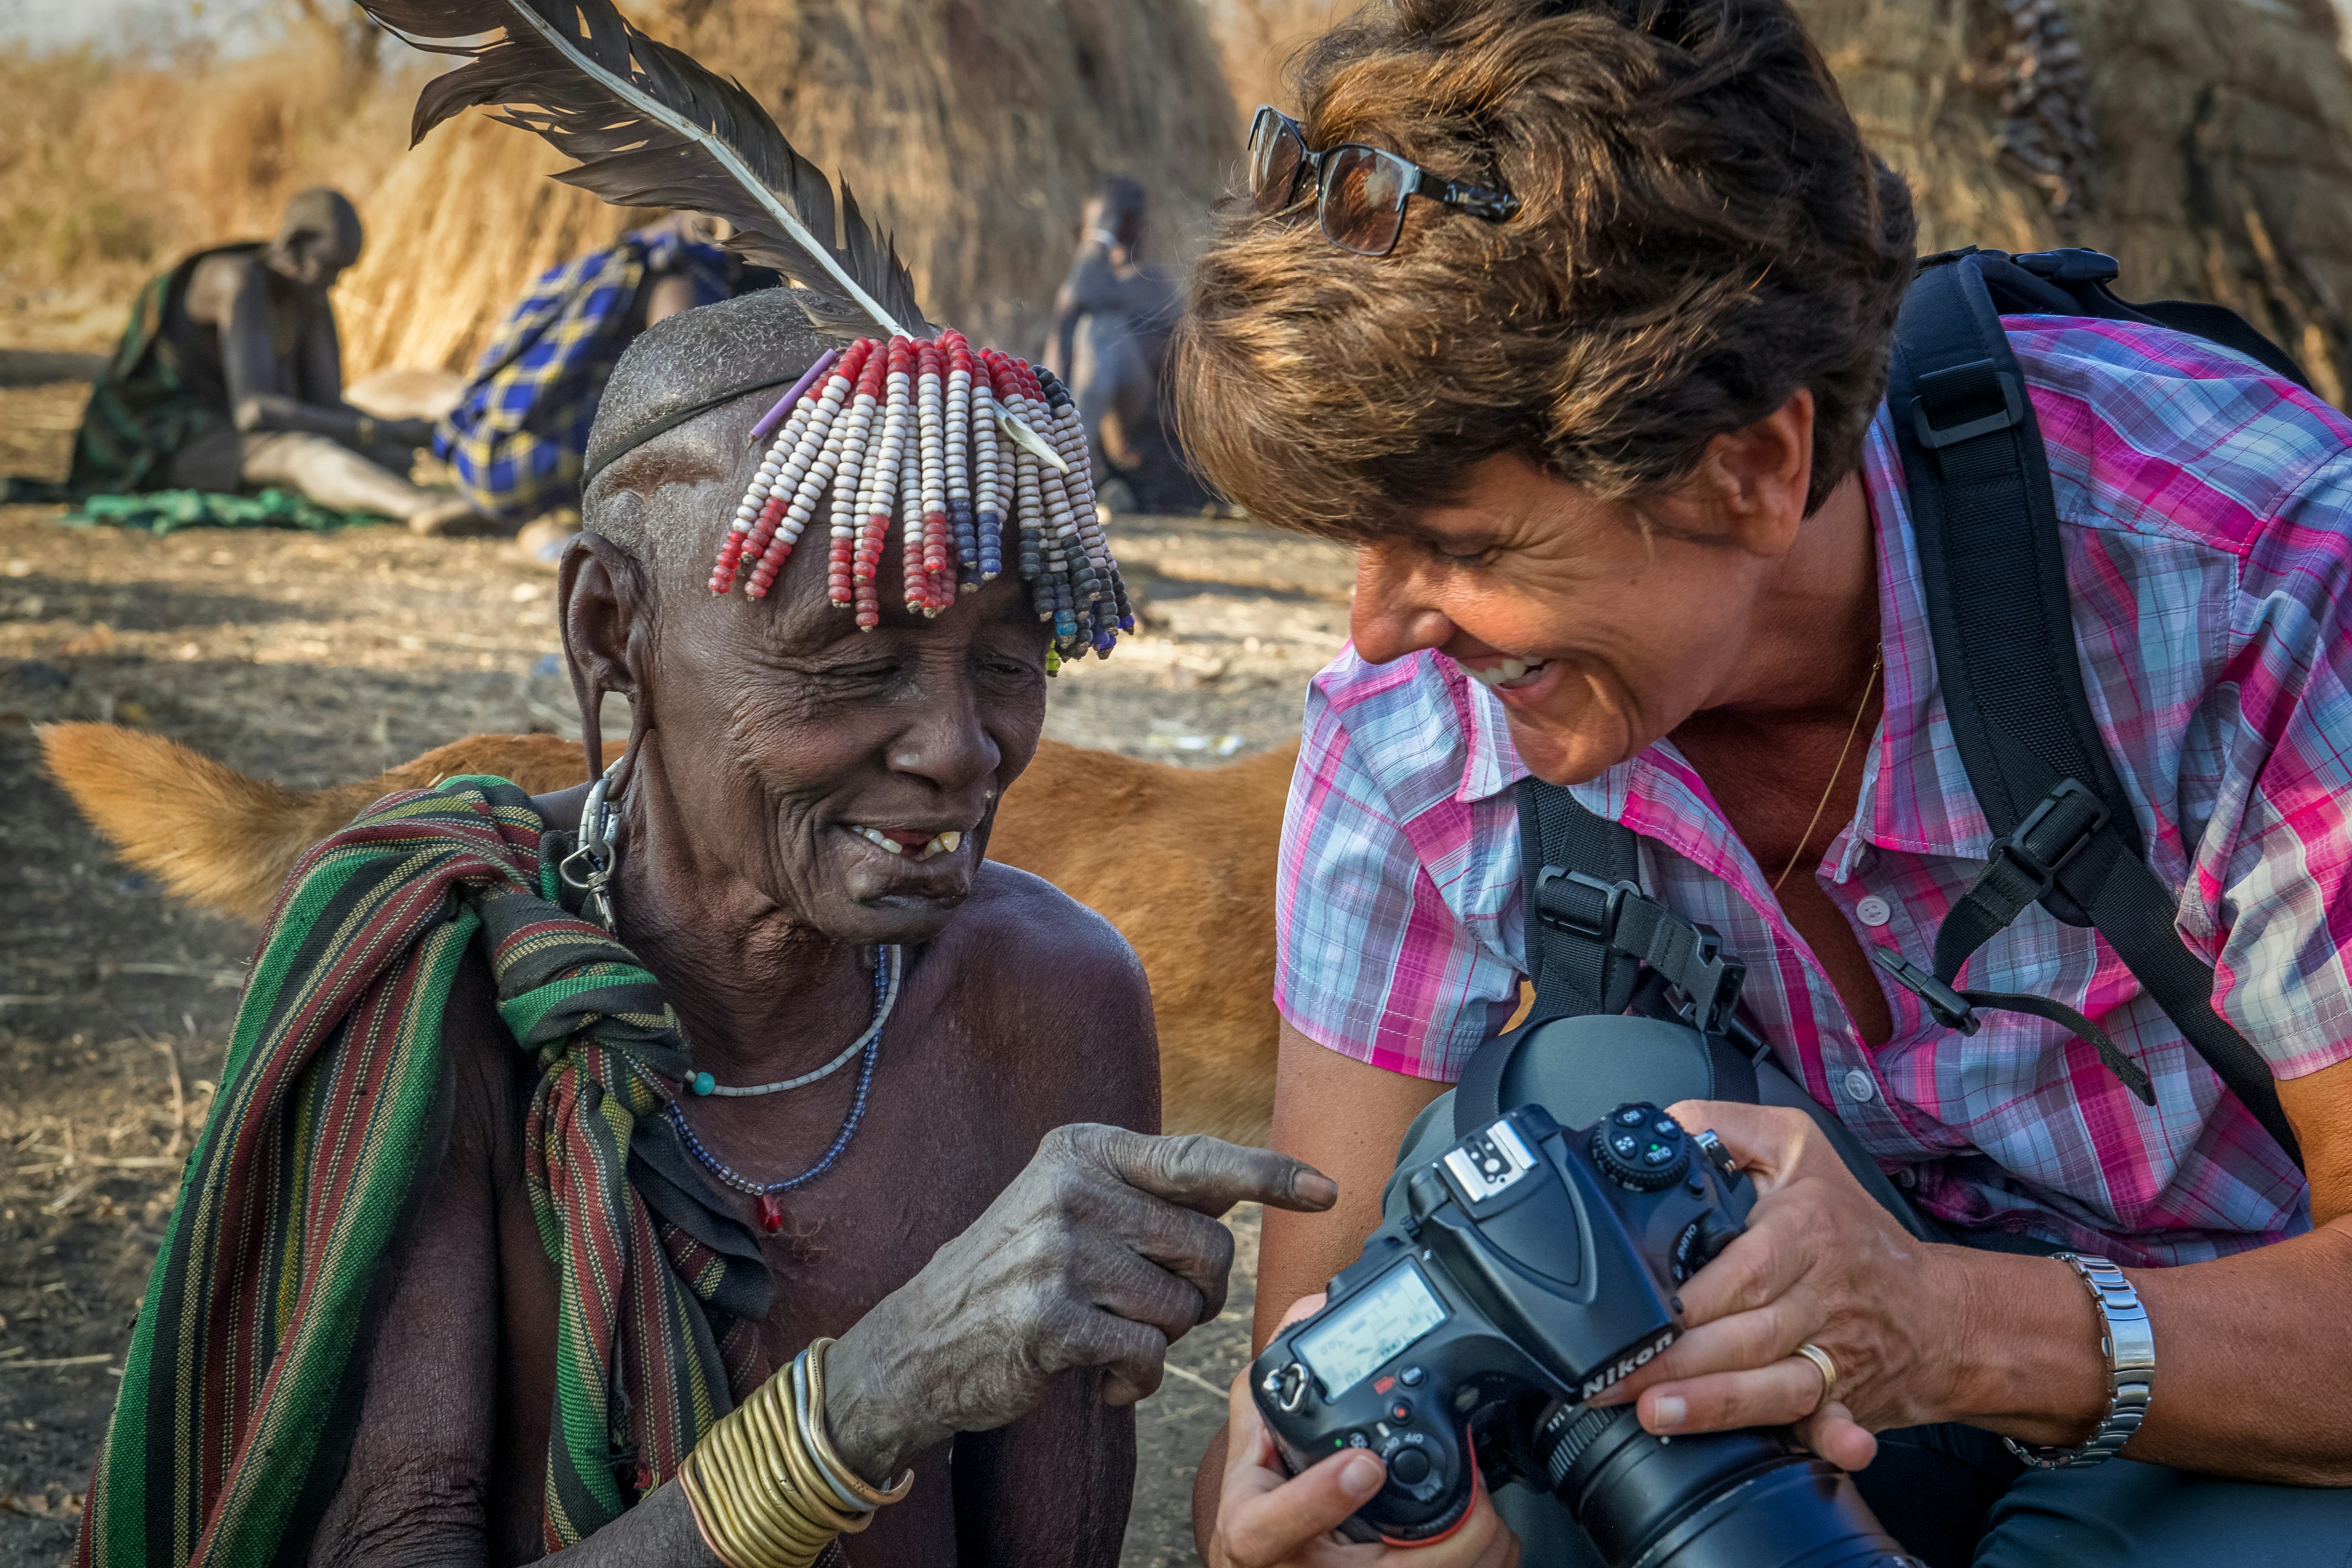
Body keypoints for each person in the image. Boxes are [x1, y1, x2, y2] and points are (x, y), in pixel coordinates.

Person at [1167, 1, 2352, 1564]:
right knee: (1567, 1118)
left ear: (1751, 468)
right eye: (1360, 545)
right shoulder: (1411, 728)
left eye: (1460, 546)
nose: (1376, 625)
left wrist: (1944, 1322)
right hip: (1790, 1430)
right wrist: (1329, 1518)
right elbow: (1294, 1377)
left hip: (2256, 1388)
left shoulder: (2238, 575)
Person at [74, 287, 1335, 1568]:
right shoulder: (441, 980)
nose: (963, 749)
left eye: (1009, 665)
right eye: (852, 659)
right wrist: (864, 1402)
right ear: (610, 628)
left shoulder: (1055, 995)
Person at [62, 187, 484, 535]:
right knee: (303, 455)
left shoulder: (310, 295)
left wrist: (403, 436)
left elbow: (326, 404)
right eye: (329, 267)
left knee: (387, 459)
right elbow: (255, 412)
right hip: (162, 437)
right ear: (295, 245)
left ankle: (428, 498)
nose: (334, 283)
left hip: (223, 431)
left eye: (342, 273)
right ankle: (419, 508)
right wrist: (384, 428)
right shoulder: (237, 279)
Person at [435, 213, 772, 562]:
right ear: (721, 222)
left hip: (474, 454)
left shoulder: (613, 261)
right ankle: (564, 527)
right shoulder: (678, 274)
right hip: (519, 465)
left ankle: (537, 520)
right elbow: (679, 388)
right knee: (678, 417)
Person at [1042, 175, 1198, 514]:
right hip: (1095, 442)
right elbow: (1053, 374)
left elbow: (1085, 293)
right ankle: (1080, 472)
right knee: (1088, 330)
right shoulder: (1077, 304)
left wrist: (1097, 237)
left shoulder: (1151, 281)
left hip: (1135, 433)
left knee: (1103, 330)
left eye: (1118, 229)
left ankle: (1063, 472)